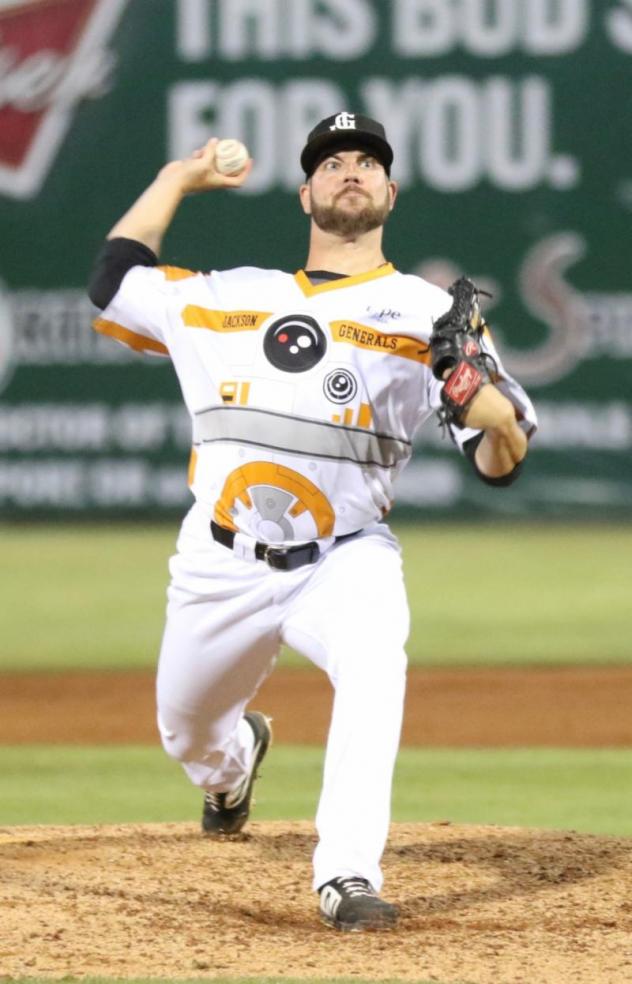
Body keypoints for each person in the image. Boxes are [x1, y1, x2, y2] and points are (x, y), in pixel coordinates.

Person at [88, 112, 537, 932]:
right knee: (187, 734)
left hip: (345, 555)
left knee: (374, 665)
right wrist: (179, 179)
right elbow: (114, 280)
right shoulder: (228, 296)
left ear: (391, 193)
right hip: (219, 560)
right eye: (332, 163)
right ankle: (232, 766)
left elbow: (499, 460)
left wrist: (492, 407)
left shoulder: (426, 314)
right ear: (306, 193)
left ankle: (347, 874)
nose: (351, 170)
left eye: (367, 161)